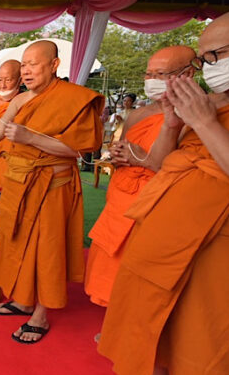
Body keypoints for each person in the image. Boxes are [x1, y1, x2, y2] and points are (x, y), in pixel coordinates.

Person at [98, 8, 229, 375]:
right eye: (204, 56)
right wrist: (178, 123)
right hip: (168, 230)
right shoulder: (221, 101)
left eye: (216, 54)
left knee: (218, 338)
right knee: (154, 312)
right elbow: (162, 165)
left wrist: (207, 123)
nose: (208, 65)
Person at [0, 41, 103, 343]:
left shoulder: (75, 99)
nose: (26, 70)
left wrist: (31, 137)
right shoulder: (20, 101)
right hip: (20, 183)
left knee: (47, 248)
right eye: (24, 64)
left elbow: (82, 149)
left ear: (54, 65)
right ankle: (24, 299)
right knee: (18, 241)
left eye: (33, 63)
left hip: (52, 186)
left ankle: (41, 315)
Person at [84, 46, 195, 307]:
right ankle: (114, 315)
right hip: (121, 196)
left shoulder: (195, 115)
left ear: (188, 73)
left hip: (156, 202)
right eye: (148, 74)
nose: (151, 81)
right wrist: (119, 155)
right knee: (110, 263)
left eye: (160, 74)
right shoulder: (138, 115)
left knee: (141, 268)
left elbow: (174, 167)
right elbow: (124, 151)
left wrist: (138, 156)